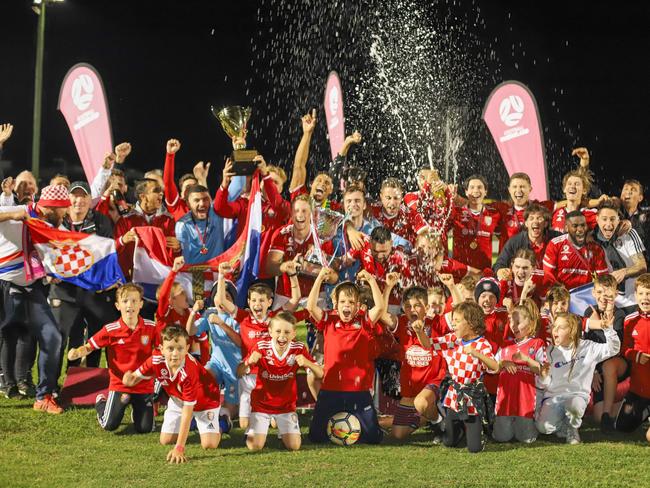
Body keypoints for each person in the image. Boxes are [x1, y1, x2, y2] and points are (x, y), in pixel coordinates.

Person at [0, 184, 70, 413]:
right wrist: (13, 214)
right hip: (5, 285)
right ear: (51, 207)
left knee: (52, 338)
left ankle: (43, 396)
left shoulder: (49, 225)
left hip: (32, 289)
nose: (66, 213)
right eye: (63, 209)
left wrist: (53, 272)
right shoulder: (22, 212)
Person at [215, 262, 302, 429]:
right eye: (253, 300)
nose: (257, 304)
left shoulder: (276, 318)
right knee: (244, 424)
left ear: (269, 302)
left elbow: (295, 299)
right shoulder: (244, 317)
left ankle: (270, 415)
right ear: (248, 301)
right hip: (248, 377)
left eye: (261, 300)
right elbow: (221, 301)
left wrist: (292, 275)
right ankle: (258, 416)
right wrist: (221, 276)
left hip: (271, 378)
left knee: (276, 424)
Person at [306, 268, 385, 444]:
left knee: (373, 438)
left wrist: (371, 281)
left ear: (358, 306)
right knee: (316, 437)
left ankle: (370, 425)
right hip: (331, 389)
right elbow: (310, 306)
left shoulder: (364, 321)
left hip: (359, 391)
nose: (347, 305)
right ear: (336, 303)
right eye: (342, 301)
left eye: (351, 302)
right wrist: (319, 277)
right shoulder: (329, 320)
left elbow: (380, 307)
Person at [50, 180, 119, 380]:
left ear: (90, 200)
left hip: (93, 289)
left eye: (83, 196)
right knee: (65, 336)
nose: (78, 200)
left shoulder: (101, 220)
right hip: (65, 289)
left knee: (95, 335)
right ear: (68, 199)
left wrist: (106, 280)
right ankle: (62, 381)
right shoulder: (58, 221)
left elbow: (108, 251)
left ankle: (90, 378)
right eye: (75, 195)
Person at [123, 325, 221, 463]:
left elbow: (187, 412)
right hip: (178, 399)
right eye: (170, 348)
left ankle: (222, 422)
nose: (175, 354)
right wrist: (129, 379)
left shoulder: (189, 372)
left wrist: (179, 448)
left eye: (180, 348)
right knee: (165, 440)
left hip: (206, 401)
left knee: (209, 445)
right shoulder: (156, 360)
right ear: (161, 349)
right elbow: (135, 377)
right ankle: (194, 426)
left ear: (187, 349)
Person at [67, 283, 156, 432]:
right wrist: (78, 352)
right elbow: (90, 346)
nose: (130, 305)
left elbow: (162, 350)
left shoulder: (151, 327)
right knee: (109, 425)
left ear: (141, 304)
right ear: (117, 306)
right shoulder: (111, 330)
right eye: (125, 301)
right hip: (120, 384)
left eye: (134, 301)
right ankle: (101, 402)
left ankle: (138, 410)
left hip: (143, 384)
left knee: (145, 429)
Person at [238, 311, 323, 451]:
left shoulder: (299, 349)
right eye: (278, 331)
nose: (282, 336)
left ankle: (282, 431)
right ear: (270, 332)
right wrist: (248, 362)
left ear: (294, 334)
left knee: (294, 446)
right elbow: (239, 372)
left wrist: (308, 363)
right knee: (254, 447)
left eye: (287, 332)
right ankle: (254, 429)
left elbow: (320, 374)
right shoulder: (261, 347)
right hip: (262, 406)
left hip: (286, 407)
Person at [536, 312, 620, 444]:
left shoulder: (588, 347)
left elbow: (613, 349)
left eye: (561, 327)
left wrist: (608, 330)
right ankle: (563, 424)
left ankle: (572, 428)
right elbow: (542, 384)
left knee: (573, 406)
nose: (555, 330)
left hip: (577, 395)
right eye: (554, 327)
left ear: (572, 330)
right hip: (554, 397)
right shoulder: (549, 352)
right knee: (543, 428)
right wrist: (543, 377)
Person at [381, 285, 446, 440]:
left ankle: (440, 422)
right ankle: (427, 419)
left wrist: (419, 331)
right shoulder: (402, 323)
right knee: (397, 435)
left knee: (421, 402)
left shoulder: (436, 323)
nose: (412, 310)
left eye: (417, 305)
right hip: (410, 388)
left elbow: (427, 345)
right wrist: (388, 287)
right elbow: (381, 314)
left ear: (427, 307)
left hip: (434, 381)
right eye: (408, 306)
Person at [430, 301, 495, 453]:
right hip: (455, 396)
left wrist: (476, 353)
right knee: (449, 442)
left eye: (457, 321)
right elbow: (429, 344)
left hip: (472, 396)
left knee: (474, 449)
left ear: (471, 323)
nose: (453, 324)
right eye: (452, 320)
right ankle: (457, 430)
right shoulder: (452, 340)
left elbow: (495, 367)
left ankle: (477, 430)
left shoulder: (482, 344)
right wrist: (420, 332)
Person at [480, 302, 546, 443]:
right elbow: (492, 368)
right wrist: (504, 363)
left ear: (531, 324)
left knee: (527, 439)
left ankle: (528, 423)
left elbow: (542, 370)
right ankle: (506, 425)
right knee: (502, 437)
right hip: (505, 402)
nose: (513, 326)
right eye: (511, 321)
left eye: (518, 322)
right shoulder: (505, 345)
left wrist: (526, 359)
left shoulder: (537, 343)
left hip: (526, 401)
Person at [266, 194, 337, 307]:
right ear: (291, 213)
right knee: (278, 324)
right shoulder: (282, 234)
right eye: (296, 210)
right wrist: (285, 267)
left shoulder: (322, 237)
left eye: (304, 211)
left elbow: (334, 278)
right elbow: (269, 267)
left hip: (315, 297)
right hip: (286, 295)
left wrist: (320, 268)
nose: (300, 215)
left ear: (312, 214)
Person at [188, 279, 242, 426]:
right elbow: (190, 331)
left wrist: (221, 323)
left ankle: (224, 417)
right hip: (216, 363)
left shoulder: (238, 317)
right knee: (203, 379)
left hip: (235, 368)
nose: (223, 301)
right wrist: (193, 312)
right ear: (213, 299)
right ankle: (199, 414)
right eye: (219, 297)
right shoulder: (209, 314)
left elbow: (240, 343)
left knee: (232, 408)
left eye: (228, 298)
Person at [582, 274, 628, 431]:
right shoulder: (589, 312)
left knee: (609, 365)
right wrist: (593, 370)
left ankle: (608, 415)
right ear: (593, 293)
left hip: (617, 363)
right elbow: (586, 346)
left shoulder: (619, 314)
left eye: (607, 294)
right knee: (596, 416)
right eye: (600, 292)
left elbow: (615, 347)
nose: (603, 298)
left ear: (615, 295)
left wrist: (605, 321)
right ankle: (625, 404)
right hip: (598, 366)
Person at [114, 178, 178, 280]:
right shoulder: (125, 220)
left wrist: (178, 247)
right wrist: (122, 240)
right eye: (156, 190)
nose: (161, 193)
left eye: (161, 190)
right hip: (132, 280)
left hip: (160, 279)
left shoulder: (169, 220)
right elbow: (111, 250)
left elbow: (176, 255)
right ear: (143, 196)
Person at [593, 200, 646, 310]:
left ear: (618, 219)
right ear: (597, 219)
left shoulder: (628, 234)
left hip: (633, 300)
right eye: (604, 219)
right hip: (609, 301)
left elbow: (642, 266)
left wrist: (624, 271)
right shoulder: (592, 235)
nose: (608, 224)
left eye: (612, 219)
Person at [615, 273, 650, 438]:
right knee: (622, 426)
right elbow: (624, 350)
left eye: (649, 293)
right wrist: (636, 356)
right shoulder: (630, 321)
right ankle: (645, 412)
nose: (645, 298)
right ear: (635, 295)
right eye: (642, 293)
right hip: (638, 389)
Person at [542, 210, 609, 289]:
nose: (580, 229)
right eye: (575, 226)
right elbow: (548, 273)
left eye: (583, 225)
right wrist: (559, 288)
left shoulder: (596, 248)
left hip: (584, 296)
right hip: (561, 295)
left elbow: (603, 277)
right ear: (566, 228)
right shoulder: (555, 244)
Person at [492, 172, 554, 252]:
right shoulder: (501, 209)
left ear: (530, 189)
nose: (518, 190)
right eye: (514, 187)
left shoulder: (539, 207)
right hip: (509, 261)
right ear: (509, 190)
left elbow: (566, 203)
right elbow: (475, 205)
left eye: (522, 187)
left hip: (533, 261)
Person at [450, 175, 501, 270]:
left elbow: (503, 240)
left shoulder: (495, 215)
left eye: (479, 187)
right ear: (466, 192)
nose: (476, 190)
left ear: (486, 192)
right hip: (461, 271)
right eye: (472, 187)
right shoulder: (456, 212)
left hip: (483, 272)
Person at [494, 203, 561, 274]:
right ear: (526, 223)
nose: (535, 222)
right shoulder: (515, 241)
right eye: (531, 218)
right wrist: (501, 271)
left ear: (545, 224)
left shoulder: (557, 239)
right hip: (525, 282)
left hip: (550, 281)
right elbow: (499, 265)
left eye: (539, 218)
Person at [369, 177, 429, 246]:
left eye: (396, 198)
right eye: (388, 198)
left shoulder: (409, 214)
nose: (392, 202)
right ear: (381, 197)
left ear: (401, 198)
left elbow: (427, 234)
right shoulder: (371, 210)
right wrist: (353, 231)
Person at [175, 184, 225, 264]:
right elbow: (183, 255)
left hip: (218, 270)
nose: (202, 204)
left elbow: (237, 186)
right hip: (194, 272)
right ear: (188, 203)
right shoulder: (182, 224)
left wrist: (225, 183)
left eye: (205, 199)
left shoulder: (216, 213)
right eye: (196, 200)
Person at [619, 179, 650, 263]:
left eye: (633, 190)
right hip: (617, 269)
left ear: (640, 198)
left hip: (642, 269)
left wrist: (631, 223)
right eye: (625, 189)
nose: (628, 192)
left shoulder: (647, 217)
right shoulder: (611, 215)